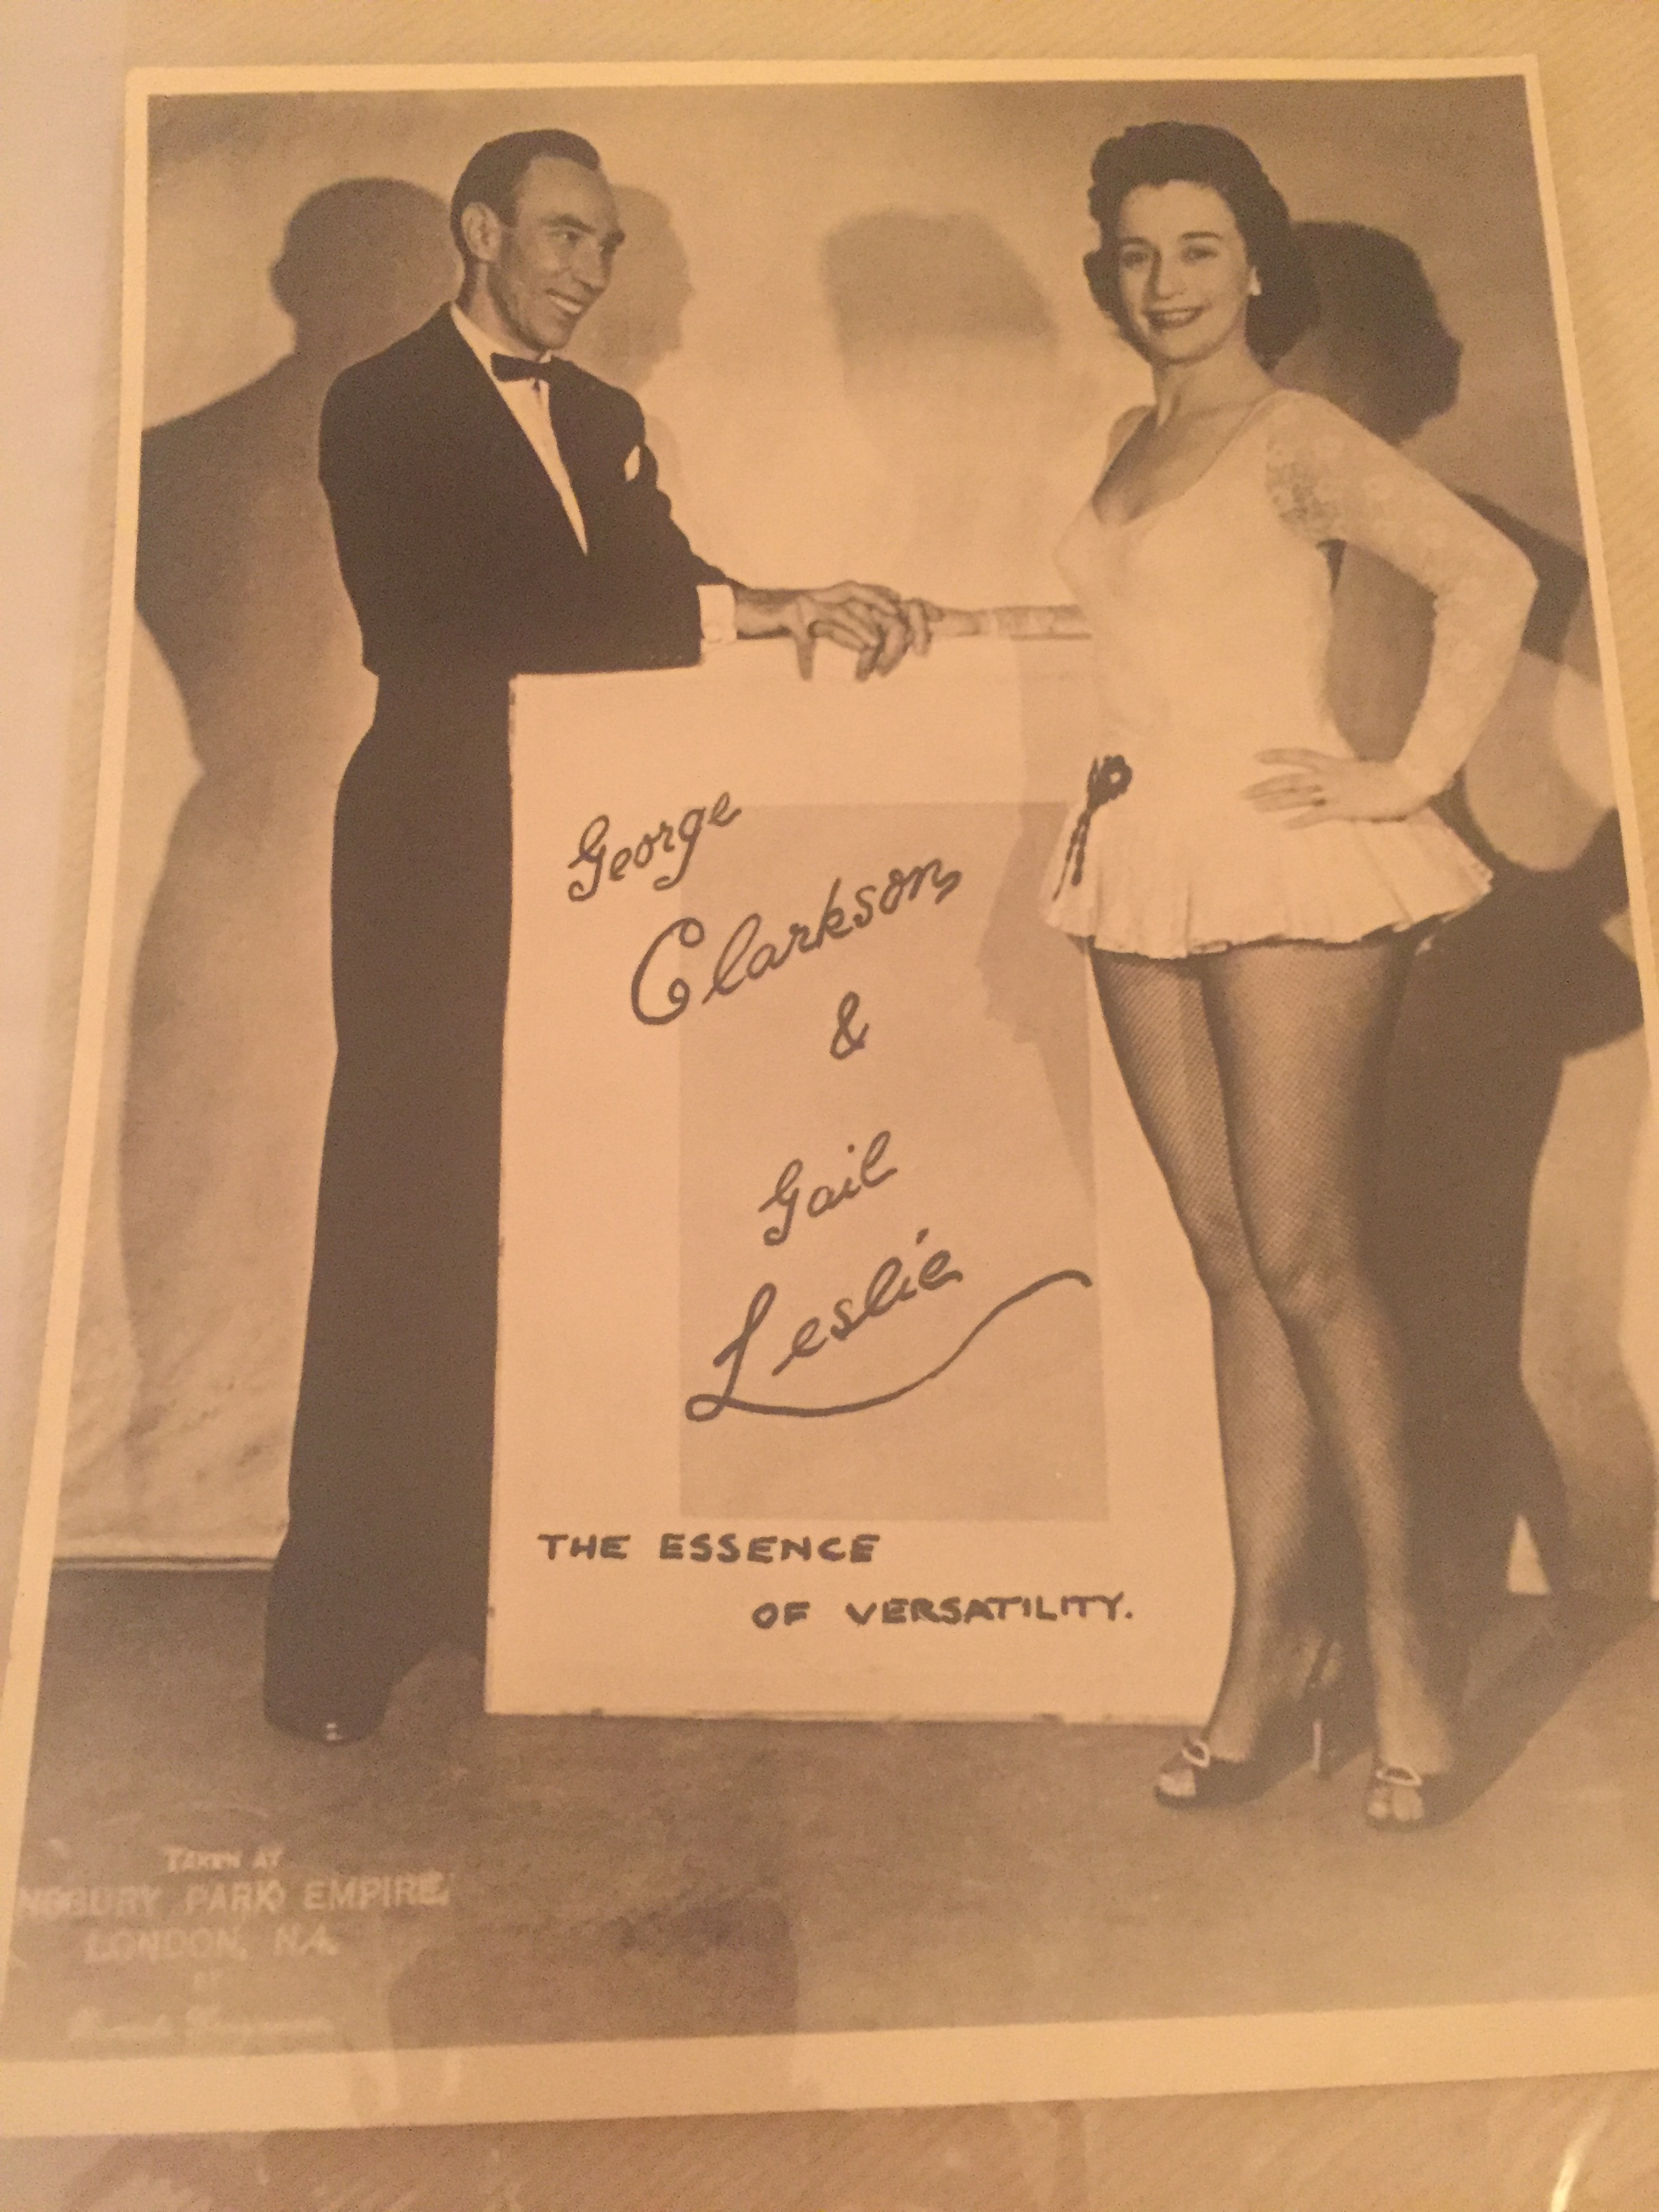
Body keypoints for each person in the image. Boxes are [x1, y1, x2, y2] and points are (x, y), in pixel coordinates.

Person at [264, 129, 918, 1743]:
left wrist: (790, 605)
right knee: (407, 1200)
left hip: (591, 840)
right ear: (479, 233)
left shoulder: (609, 420)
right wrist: (719, 614)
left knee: (554, 1203)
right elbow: (448, 621)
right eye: (563, 233)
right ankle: (336, 1632)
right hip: (434, 837)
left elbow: (655, 584)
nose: (590, 269)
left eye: (607, 244)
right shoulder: (378, 404)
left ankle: (499, 1581)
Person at [920, 123, 1536, 1828]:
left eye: (1197, 249)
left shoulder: (1299, 437)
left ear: (1256, 266)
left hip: (1281, 866)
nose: (1165, 282)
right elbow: (1146, 631)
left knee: (1311, 1262)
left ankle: (1407, 1656)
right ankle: (1271, 1653)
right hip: (1143, 859)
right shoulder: (1132, 441)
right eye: (1136, 253)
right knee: (1228, 1264)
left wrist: (1405, 778)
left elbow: (1490, 577)